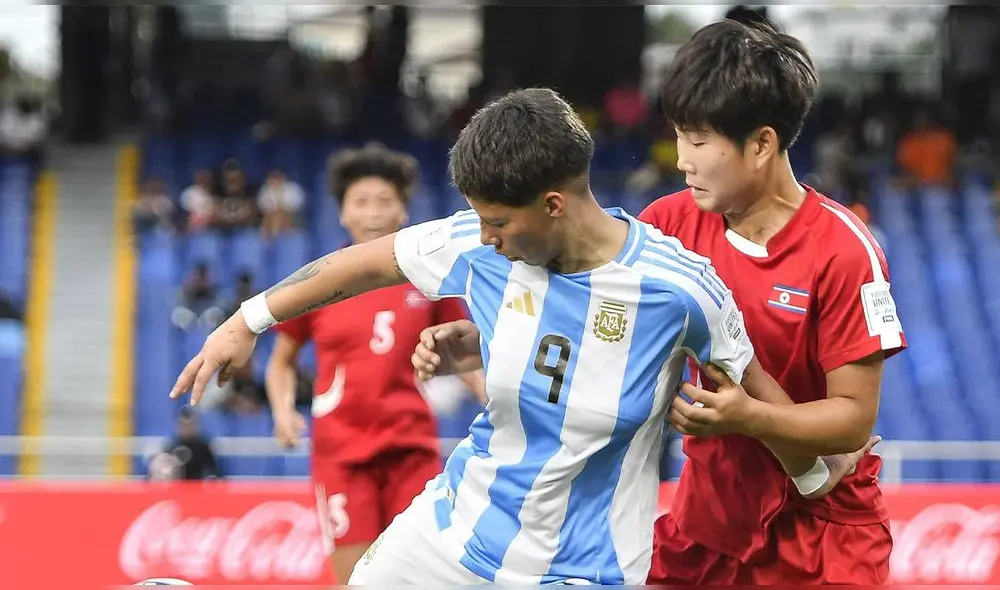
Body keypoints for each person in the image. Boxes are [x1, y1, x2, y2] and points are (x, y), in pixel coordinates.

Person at [171, 88, 854, 584]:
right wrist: (246, 321)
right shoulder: (475, 242)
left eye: (499, 223)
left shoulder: (681, 289)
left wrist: (812, 471)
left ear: (553, 205)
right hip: (453, 536)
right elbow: (357, 266)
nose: (487, 240)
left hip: (586, 571)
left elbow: (772, 414)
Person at [638, 20, 904, 585]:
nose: (681, 158)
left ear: (761, 143)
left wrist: (749, 417)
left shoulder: (845, 251)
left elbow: (853, 420)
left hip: (822, 537)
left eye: (699, 139)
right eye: (679, 135)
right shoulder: (666, 224)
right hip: (705, 527)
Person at [264, 143, 485, 583]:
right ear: (342, 214)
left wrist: (491, 400)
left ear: (404, 211)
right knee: (354, 581)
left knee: (419, 577)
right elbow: (281, 361)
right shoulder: (317, 284)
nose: (374, 213)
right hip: (341, 455)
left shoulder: (429, 280)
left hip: (412, 450)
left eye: (386, 201)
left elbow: (464, 355)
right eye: (361, 202)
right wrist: (284, 412)